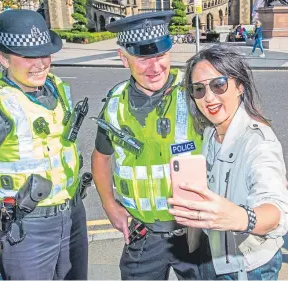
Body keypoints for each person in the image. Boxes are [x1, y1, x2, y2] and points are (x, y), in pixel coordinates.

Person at [91, 11, 203, 280]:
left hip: (197, 232)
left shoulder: (196, 91)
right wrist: (109, 204)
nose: (155, 67)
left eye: (160, 56)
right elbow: (101, 157)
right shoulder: (115, 103)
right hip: (143, 235)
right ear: (123, 58)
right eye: (142, 58)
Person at [0, 9, 88, 280]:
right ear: (2, 57)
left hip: (72, 216)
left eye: (44, 53)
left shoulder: (57, 87)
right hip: (25, 228)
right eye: (28, 56)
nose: (40, 64)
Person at [168, 45, 288, 280]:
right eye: (199, 89)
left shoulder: (259, 142)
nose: (209, 97)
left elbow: (274, 211)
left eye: (218, 84)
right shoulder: (211, 134)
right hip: (213, 255)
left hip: (249, 268)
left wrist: (240, 217)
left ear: (239, 86)